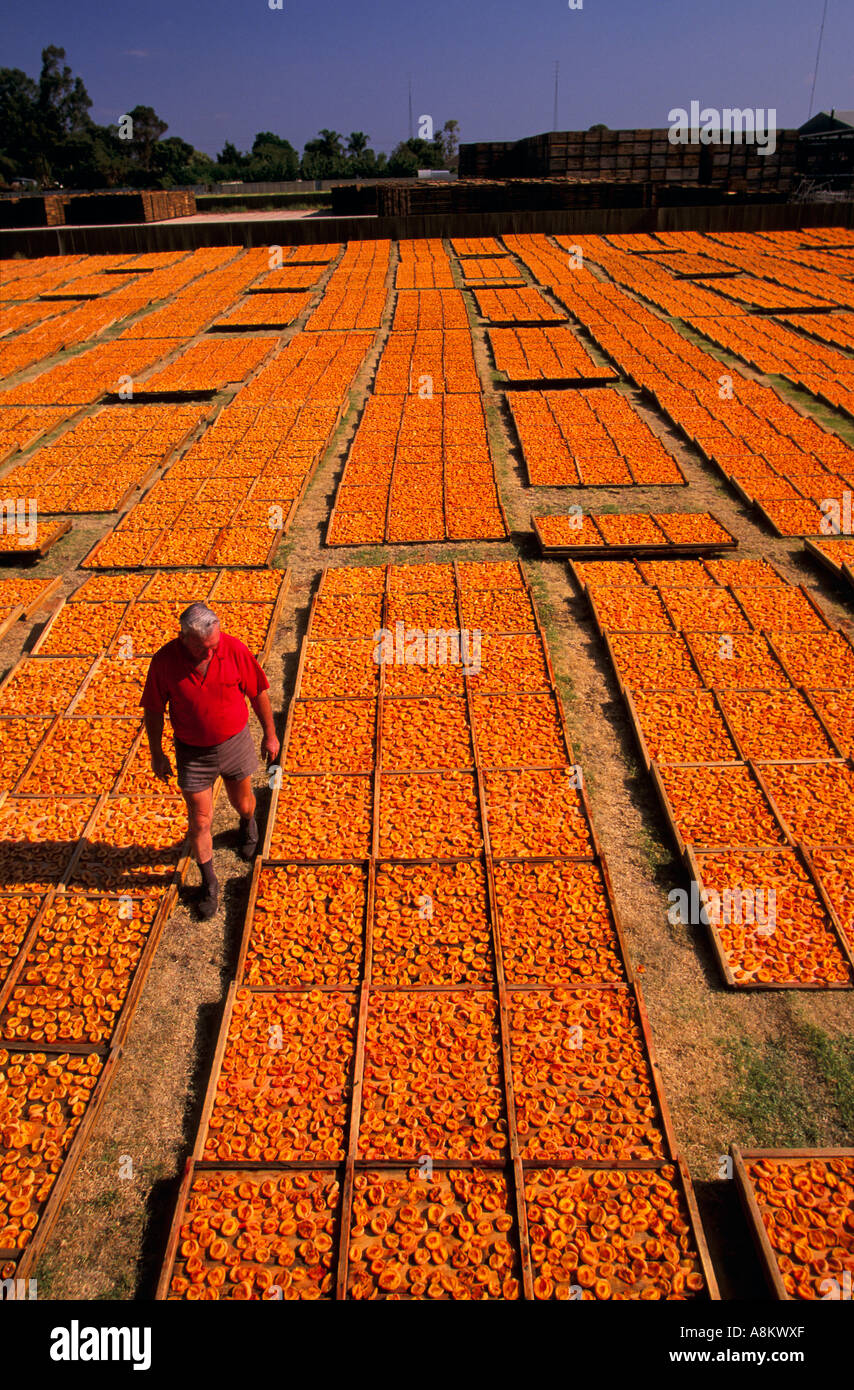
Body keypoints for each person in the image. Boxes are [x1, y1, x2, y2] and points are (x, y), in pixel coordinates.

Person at [140, 601, 280, 919]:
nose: (211, 652)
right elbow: (153, 709)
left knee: (243, 803)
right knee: (200, 820)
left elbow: (258, 691)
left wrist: (270, 734)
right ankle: (210, 883)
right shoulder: (164, 662)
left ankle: (248, 826)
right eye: (204, 648)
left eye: (214, 644)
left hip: (234, 742)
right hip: (193, 752)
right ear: (184, 638)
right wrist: (157, 753)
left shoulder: (232, 649)